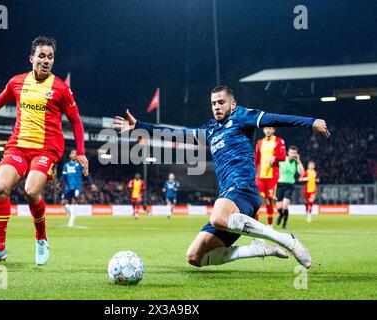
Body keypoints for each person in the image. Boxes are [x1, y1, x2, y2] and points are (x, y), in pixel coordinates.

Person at [114, 86, 330, 269]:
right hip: (230, 203)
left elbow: (275, 118)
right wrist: (140, 127)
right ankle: (258, 249)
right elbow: (177, 133)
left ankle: (287, 240)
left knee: (217, 217)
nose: (216, 106)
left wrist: (310, 122)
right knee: (195, 257)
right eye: (213, 103)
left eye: (221, 102)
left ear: (232, 104)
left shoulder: (241, 116)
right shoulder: (210, 131)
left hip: (243, 189)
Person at [0, 36, 88, 267]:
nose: (46, 60)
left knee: (31, 191)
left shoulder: (61, 89)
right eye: (42, 56)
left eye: (50, 57)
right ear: (32, 58)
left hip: (47, 148)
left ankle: (41, 238)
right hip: (18, 145)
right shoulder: (17, 82)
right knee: (2, 188)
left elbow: (75, 121)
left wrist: (82, 152)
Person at [254, 127, 286, 228]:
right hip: (260, 176)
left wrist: (275, 159)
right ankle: (256, 224)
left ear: (274, 130)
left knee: (269, 200)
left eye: (270, 129)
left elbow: (283, 157)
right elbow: (256, 160)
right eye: (266, 128)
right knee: (256, 199)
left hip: (272, 176)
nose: (268, 130)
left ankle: (270, 224)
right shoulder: (259, 142)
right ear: (263, 130)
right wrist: (252, 173)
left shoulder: (279, 141)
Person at [57, 149, 95, 227]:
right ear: (70, 155)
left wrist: (91, 183)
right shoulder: (66, 165)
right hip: (68, 187)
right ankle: (71, 213)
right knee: (63, 203)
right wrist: (60, 183)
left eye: (76, 153)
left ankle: (70, 223)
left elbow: (86, 174)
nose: (75, 155)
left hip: (77, 186)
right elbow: (64, 175)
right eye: (73, 153)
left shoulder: (80, 165)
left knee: (73, 202)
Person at [275, 146, 305, 229]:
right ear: (288, 153)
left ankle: (284, 223)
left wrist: (298, 161)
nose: (293, 155)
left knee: (285, 206)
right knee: (279, 207)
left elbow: (302, 173)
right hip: (279, 185)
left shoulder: (296, 162)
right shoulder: (281, 160)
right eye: (292, 153)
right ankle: (281, 214)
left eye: (295, 153)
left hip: (289, 186)